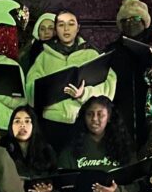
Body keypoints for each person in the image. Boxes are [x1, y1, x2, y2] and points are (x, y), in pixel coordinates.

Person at [25, 9, 117, 153]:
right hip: (52, 125)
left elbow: (109, 86)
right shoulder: (44, 57)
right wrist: (48, 91)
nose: (66, 29)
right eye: (61, 25)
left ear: (78, 27)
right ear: (56, 29)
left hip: (83, 123)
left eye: (71, 24)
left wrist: (85, 93)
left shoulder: (91, 54)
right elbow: (30, 91)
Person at [106, 0, 152, 147]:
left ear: (144, 21)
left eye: (135, 19)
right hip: (120, 119)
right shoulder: (112, 51)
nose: (131, 24)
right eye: (125, 20)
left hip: (150, 117)